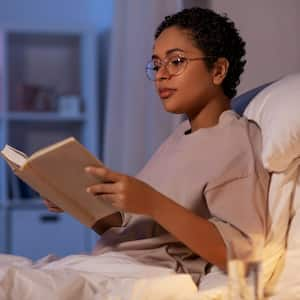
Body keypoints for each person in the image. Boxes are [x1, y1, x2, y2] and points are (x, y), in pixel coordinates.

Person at [44, 7, 270, 285]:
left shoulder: (235, 141)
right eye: (156, 64)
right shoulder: (180, 136)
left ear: (218, 70)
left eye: (176, 61)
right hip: (106, 264)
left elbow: (244, 257)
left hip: (142, 278)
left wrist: (152, 202)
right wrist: (76, 199)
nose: (162, 74)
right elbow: (135, 233)